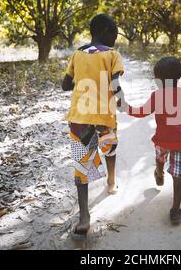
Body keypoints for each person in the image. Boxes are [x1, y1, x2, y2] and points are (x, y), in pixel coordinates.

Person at [121, 57, 181, 224]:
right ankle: (175, 210)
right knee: (178, 174)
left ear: (159, 80)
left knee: (160, 159)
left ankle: (159, 174)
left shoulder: (157, 96)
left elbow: (142, 112)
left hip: (162, 141)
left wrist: (126, 107)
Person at [61, 14, 124, 240]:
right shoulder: (112, 54)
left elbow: (64, 85)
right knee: (110, 149)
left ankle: (84, 217)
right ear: (106, 31)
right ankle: (111, 182)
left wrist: (81, 82)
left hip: (80, 119)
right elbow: (115, 83)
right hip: (105, 117)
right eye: (114, 35)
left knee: (82, 164)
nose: (114, 40)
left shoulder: (78, 53)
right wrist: (121, 101)